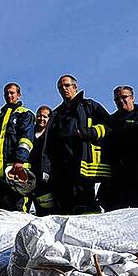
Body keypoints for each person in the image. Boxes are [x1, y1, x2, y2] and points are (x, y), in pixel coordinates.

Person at [41, 75, 111, 214]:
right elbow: (48, 144)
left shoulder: (89, 106)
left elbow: (109, 125)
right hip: (61, 169)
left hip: (83, 165)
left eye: (67, 85)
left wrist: (90, 132)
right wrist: (46, 168)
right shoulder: (56, 114)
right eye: (60, 87)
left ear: (75, 87)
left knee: (87, 204)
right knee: (65, 207)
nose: (64, 89)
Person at [100, 86, 138, 210]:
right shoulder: (111, 121)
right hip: (120, 175)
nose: (120, 101)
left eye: (124, 97)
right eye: (117, 99)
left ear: (132, 97)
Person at [0, 83, 35, 211]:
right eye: (6, 93)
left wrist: (20, 160)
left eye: (12, 93)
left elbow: (26, 139)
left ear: (19, 95)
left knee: (17, 206)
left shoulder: (25, 114)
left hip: (15, 168)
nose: (9, 95)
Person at [28, 105, 54, 215]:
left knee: (45, 211)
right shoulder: (29, 133)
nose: (41, 119)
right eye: (39, 116)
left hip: (44, 180)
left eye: (45, 117)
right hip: (29, 177)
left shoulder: (52, 135)